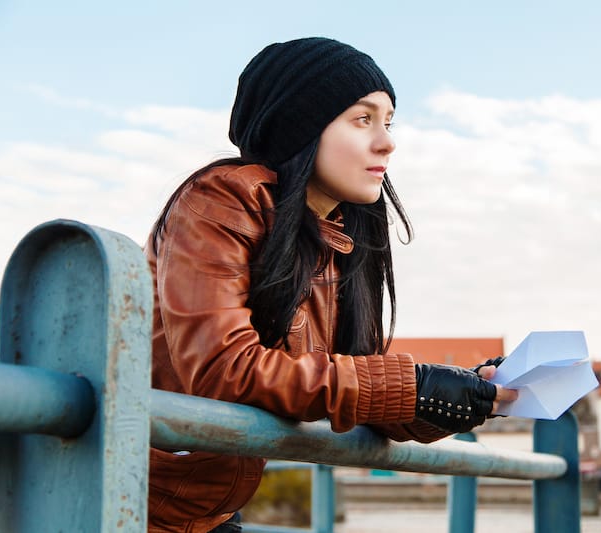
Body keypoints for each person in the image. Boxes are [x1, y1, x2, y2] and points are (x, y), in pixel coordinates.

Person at [144, 37, 517, 533]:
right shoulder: (220, 201)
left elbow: (366, 389)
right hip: (124, 505)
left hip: (207, 516)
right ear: (301, 126)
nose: (387, 141)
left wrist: (460, 396)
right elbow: (223, 371)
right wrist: (412, 388)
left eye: (388, 122)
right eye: (363, 119)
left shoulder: (337, 237)